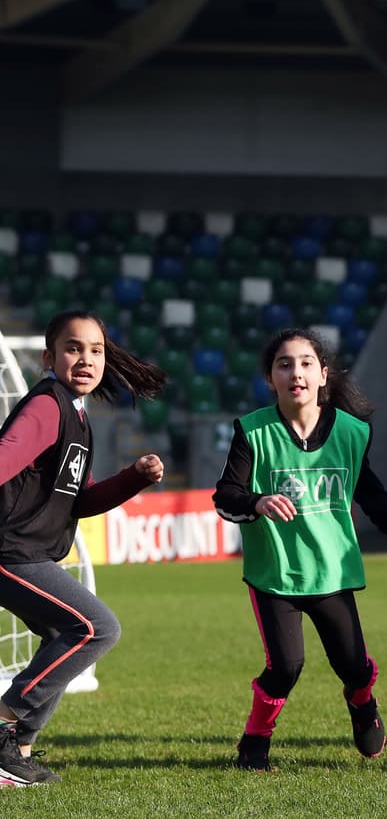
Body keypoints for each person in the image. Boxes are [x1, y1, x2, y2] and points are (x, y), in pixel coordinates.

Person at [214, 328, 387, 772]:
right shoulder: (252, 431)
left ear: (323, 375)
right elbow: (225, 497)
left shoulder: (351, 433)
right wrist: (256, 502)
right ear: (270, 379)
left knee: (353, 667)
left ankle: (362, 704)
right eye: (284, 364)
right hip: (274, 574)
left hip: (332, 572)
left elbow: (372, 495)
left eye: (306, 363)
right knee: (285, 666)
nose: (296, 372)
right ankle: (254, 743)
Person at [0, 310, 167, 786]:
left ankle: (15, 753)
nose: (87, 358)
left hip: (26, 553)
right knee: (98, 628)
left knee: (64, 636)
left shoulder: (74, 413)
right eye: (74, 348)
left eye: (96, 350)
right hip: (10, 553)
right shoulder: (47, 407)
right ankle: (5, 720)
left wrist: (132, 479)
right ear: (49, 357)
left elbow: (81, 499)